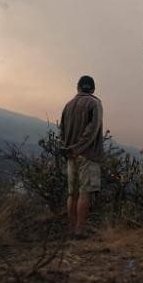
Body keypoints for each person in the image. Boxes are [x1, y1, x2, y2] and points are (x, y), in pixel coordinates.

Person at [60, 75, 104, 239]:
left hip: (71, 154)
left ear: (77, 87)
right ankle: (79, 231)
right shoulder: (94, 103)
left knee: (72, 193)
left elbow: (62, 130)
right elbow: (92, 131)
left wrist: (69, 149)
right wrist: (79, 148)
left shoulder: (68, 105)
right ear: (93, 89)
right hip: (88, 154)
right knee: (85, 193)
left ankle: (71, 230)